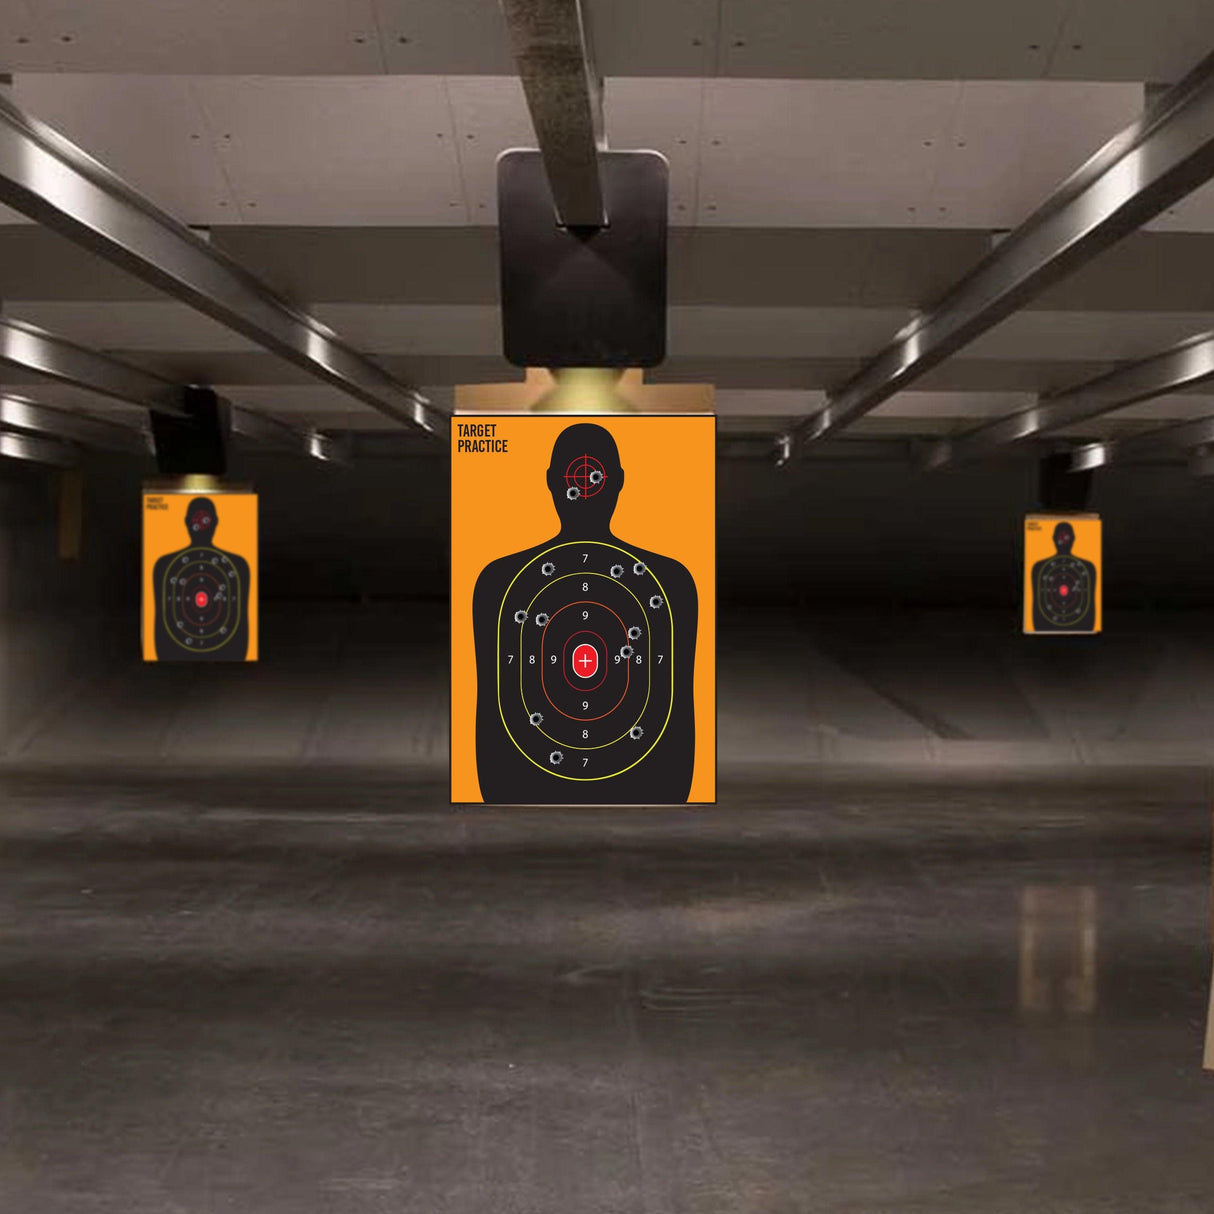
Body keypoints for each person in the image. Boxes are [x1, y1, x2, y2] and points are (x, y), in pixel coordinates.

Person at [473, 423, 697, 803]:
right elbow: (498, 717)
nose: (585, 485)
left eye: (594, 474)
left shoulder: (500, 581)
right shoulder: (670, 581)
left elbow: (671, 715)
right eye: (577, 474)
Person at [152, 496, 251, 661]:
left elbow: (239, 629)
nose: (201, 525)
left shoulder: (165, 565)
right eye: (198, 520)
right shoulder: (237, 565)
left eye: (205, 519)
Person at [1030, 520, 1098, 633]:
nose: (1063, 541)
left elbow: (1089, 608)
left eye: (1066, 537)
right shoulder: (1039, 568)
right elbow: (1038, 609)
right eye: (1061, 537)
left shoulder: (1088, 568)